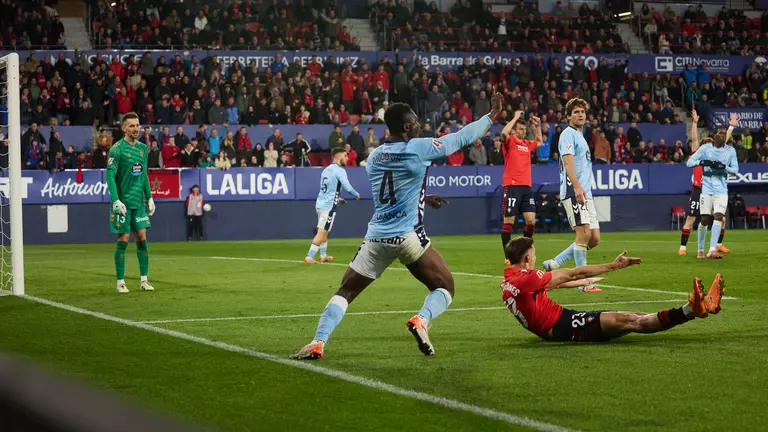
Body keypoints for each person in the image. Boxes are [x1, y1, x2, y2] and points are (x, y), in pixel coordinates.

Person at [291, 93, 504, 360]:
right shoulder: (418, 148)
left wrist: (423, 196)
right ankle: (421, 320)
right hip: (408, 237)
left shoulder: (375, 156)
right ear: (405, 127)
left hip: (376, 238)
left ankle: (318, 342)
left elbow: (394, 191)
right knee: (445, 287)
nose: (419, 126)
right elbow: (460, 138)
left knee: (345, 291)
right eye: (414, 122)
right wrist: (492, 115)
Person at [502, 237, 724, 342]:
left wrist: (582, 283)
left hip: (560, 322)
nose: (536, 257)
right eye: (534, 254)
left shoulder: (510, 281)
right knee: (629, 320)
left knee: (634, 317)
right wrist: (613, 266)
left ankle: (695, 308)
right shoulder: (527, 279)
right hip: (561, 326)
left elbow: (551, 286)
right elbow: (573, 273)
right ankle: (692, 309)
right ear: (527, 258)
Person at [542, 98, 602, 293]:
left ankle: (555, 262)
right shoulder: (568, 134)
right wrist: (576, 187)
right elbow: (568, 164)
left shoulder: (580, 136)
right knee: (583, 234)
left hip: (586, 193)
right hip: (573, 190)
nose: (580, 114)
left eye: (582, 111)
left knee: (594, 238)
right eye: (576, 112)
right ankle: (585, 284)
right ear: (568, 116)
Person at [106, 112, 155, 294]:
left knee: (142, 239)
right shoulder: (116, 150)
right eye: (132, 126)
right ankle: (120, 282)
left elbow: (143, 175)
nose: (136, 129)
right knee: (123, 239)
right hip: (122, 204)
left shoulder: (143, 149)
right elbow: (110, 176)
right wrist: (116, 200)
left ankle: (144, 281)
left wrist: (149, 197)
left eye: (137, 125)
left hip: (138, 203)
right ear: (123, 128)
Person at [679, 112, 734, 256]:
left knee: (721, 219)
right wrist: (695, 123)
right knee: (692, 218)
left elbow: (724, 141)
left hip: (712, 190)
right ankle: (683, 247)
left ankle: (717, 246)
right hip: (699, 189)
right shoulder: (698, 154)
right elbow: (695, 139)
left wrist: (731, 127)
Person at [499, 110, 544, 264]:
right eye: (520, 129)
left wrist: (538, 126)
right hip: (512, 186)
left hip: (526, 187)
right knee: (509, 221)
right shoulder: (510, 141)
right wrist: (516, 117)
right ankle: (508, 257)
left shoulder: (526, 144)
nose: (523, 132)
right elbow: (503, 132)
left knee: (531, 221)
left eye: (524, 129)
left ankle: (525, 251)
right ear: (514, 131)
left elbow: (539, 141)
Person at [305, 148, 360, 264]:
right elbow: (348, 187)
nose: (347, 158)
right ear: (338, 156)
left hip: (320, 204)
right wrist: (356, 194)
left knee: (324, 231)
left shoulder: (326, 170)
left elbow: (326, 190)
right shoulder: (340, 170)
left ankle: (323, 255)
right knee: (322, 231)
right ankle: (309, 257)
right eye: (345, 156)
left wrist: (338, 199)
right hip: (328, 207)